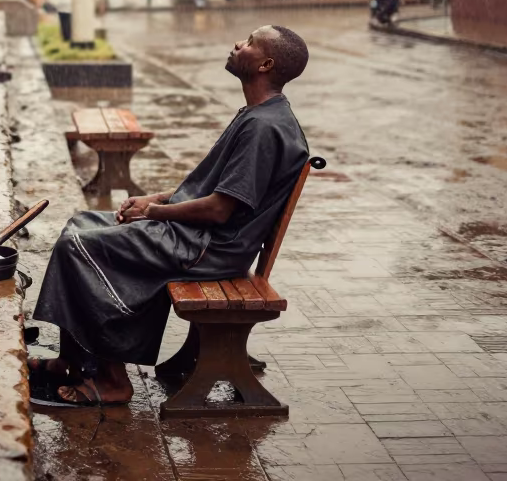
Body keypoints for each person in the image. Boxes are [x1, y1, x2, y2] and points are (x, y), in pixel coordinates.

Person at [30, 25, 310, 407]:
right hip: (200, 235)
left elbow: (218, 208)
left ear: (265, 64)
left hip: (210, 247)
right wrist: (153, 200)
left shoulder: (264, 127)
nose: (236, 44)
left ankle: (113, 381)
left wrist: (156, 212)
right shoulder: (259, 114)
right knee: (80, 224)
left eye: (248, 43)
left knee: (82, 248)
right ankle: (71, 361)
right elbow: (210, 187)